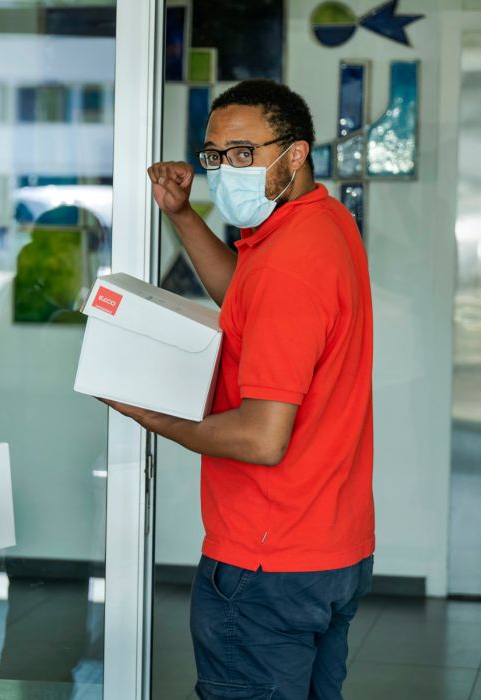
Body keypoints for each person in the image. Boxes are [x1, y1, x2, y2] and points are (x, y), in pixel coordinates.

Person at [106, 79, 374, 699]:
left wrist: (152, 415)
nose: (226, 170)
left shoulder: (287, 262)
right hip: (331, 548)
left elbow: (261, 439)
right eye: (215, 155)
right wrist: (181, 214)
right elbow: (245, 296)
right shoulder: (323, 223)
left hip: (266, 559)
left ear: (296, 153)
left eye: (245, 153)